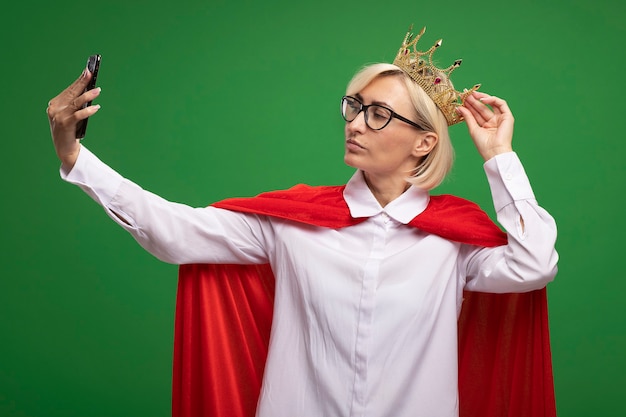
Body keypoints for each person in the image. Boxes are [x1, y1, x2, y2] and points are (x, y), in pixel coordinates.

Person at [47, 26, 558, 417]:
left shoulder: (453, 243)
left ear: (424, 142)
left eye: (378, 114)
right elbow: (174, 233)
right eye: (354, 107)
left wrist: (499, 157)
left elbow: (534, 264)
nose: (355, 123)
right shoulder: (292, 222)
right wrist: (74, 156)